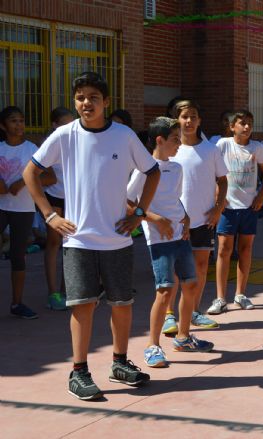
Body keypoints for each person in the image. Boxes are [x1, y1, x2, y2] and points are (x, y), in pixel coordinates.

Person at [24, 71, 161, 399]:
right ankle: (79, 372)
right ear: (76, 101)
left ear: (106, 102)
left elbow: (152, 172)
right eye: (81, 97)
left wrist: (139, 213)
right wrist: (50, 215)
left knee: (122, 304)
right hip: (79, 240)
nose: (86, 103)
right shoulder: (64, 135)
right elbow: (31, 172)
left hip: (117, 239)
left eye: (93, 98)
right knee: (83, 306)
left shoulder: (124, 135)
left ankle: (119, 363)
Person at [127, 117, 214, 368]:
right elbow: (129, 202)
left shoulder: (176, 168)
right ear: (159, 140)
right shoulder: (144, 169)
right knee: (165, 291)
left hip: (180, 236)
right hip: (159, 240)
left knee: (190, 284)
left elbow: (174, 198)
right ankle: (152, 346)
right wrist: (154, 219)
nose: (179, 144)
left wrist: (185, 218)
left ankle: (183, 337)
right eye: (175, 139)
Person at [165, 99, 228, 331]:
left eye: (193, 116)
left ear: (199, 120)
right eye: (184, 117)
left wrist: (218, 208)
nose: (189, 121)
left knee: (200, 267)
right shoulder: (170, 150)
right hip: (174, 222)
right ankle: (170, 314)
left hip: (204, 220)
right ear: (176, 120)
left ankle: (193, 311)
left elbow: (222, 180)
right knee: (173, 269)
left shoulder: (210, 150)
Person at [207, 110, 263, 313]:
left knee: (245, 249)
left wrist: (261, 195)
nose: (246, 127)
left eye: (249, 123)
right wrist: (219, 196)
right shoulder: (222, 145)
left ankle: (241, 294)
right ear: (231, 126)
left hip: (249, 207)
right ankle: (220, 298)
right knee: (224, 250)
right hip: (227, 207)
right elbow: (212, 172)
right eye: (242, 123)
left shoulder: (257, 147)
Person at [1, 106, 55, 319]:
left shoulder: (31, 149)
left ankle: (17, 303)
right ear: (3, 126)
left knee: (18, 256)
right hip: (1, 207)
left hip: (22, 210)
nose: (19, 125)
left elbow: (50, 178)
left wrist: (23, 182)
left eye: (21, 120)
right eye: (14, 121)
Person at [43, 107, 75, 311]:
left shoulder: (78, 142)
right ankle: (53, 293)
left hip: (74, 199)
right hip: (54, 197)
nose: (69, 128)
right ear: (54, 125)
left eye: (72, 124)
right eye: (64, 124)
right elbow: (38, 171)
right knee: (54, 243)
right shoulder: (50, 144)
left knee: (71, 244)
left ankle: (69, 290)